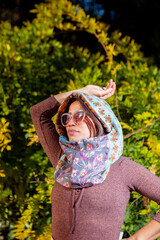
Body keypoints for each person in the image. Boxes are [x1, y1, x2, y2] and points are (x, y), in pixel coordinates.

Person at [30, 79, 160, 240]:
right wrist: (83, 91)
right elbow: (38, 113)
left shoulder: (123, 168)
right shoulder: (64, 160)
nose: (70, 122)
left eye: (79, 116)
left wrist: (137, 239)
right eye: (67, 117)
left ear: (100, 119)